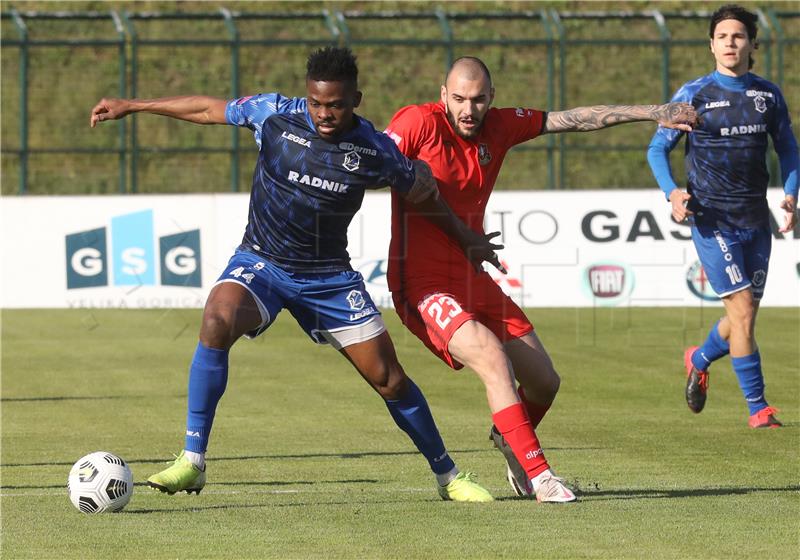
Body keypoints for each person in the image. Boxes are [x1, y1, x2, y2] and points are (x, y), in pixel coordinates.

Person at [90, 47, 500, 502]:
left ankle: (449, 476)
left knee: (389, 379)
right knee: (215, 320)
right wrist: (134, 105)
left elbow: (423, 195)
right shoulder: (274, 115)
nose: (324, 114)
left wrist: (465, 238)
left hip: (329, 278)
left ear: (356, 100)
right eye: (317, 103)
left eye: (336, 105)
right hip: (262, 262)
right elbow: (209, 108)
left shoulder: (374, 150)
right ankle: (192, 461)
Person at [385, 56, 698, 502]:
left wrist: (653, 112)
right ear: (443, 96)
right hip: (421, 282)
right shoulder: (418, 123)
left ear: (491, 98)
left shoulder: (501, 126)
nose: (468, 110)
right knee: (493, 359)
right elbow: (372, 158)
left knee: (545, 382)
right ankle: (540, 476)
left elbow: (570, 120)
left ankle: (508, 436)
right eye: (458, 99)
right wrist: (400, 173)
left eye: (477, 100)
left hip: (471, 275)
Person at [647, 5, 798, 428]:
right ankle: (758, 408)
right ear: (711, 44)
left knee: (741, 316)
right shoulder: (692, 95)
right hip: (711, 219)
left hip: (756, 221)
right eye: (723, 36)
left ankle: (698, 358)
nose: (731, 42)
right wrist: (674, 192)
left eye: (739, 36)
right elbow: (658, 149)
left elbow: (788, 147)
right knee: (744, 312)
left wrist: (790, 193)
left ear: (752, 44)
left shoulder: (767, 96)